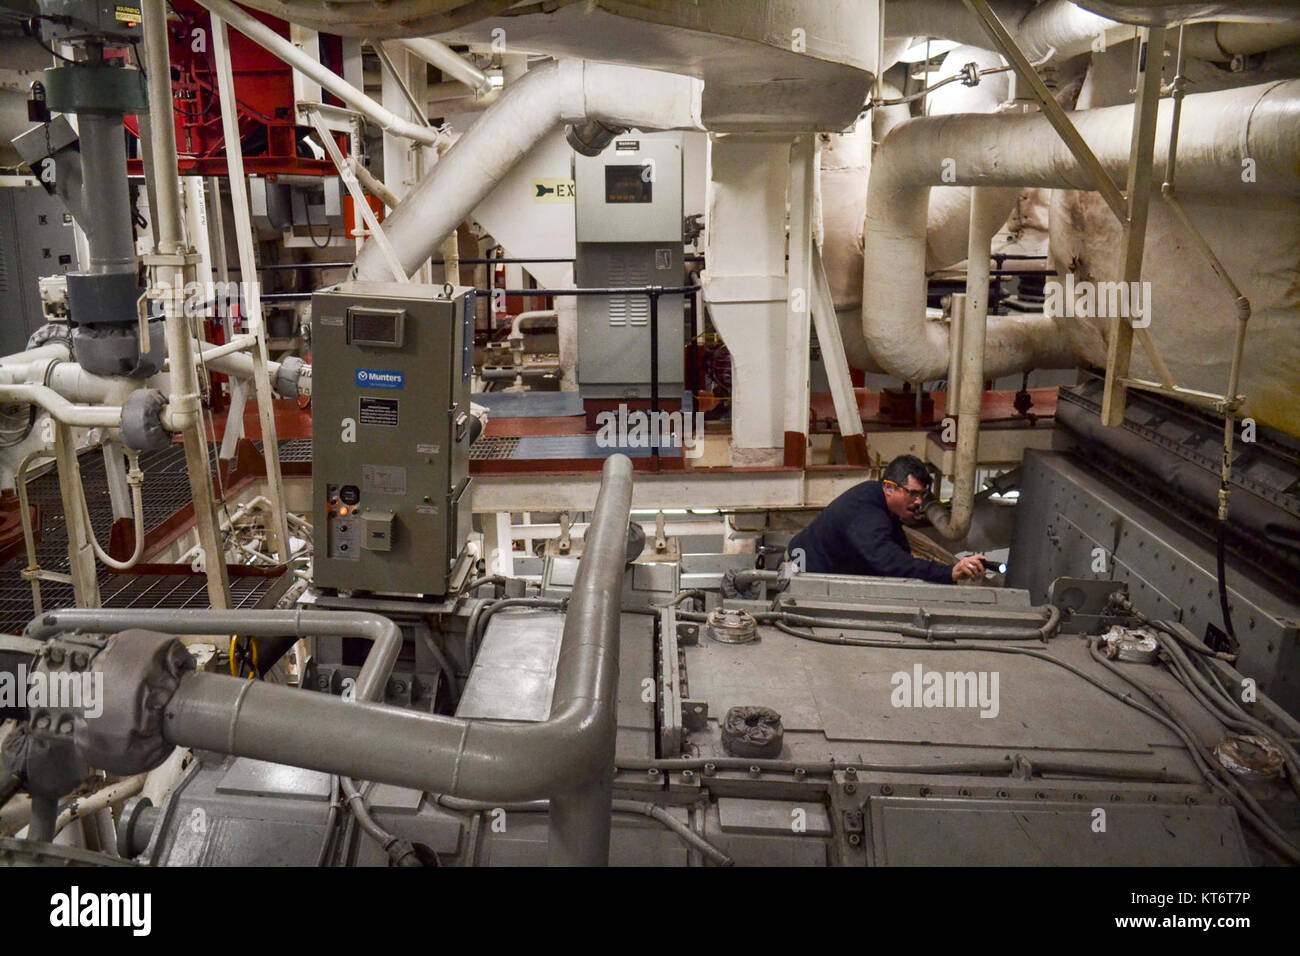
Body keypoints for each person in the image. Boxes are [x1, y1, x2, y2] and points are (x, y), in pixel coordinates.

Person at [787, 454, 987, 584]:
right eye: (913, 494)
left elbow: (900, 555)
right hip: (803, 574)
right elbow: (890, 563)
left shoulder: (881, 503)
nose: (919, 502)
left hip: (822, 570)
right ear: (890, 488)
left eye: (922, 496)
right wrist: (948, 573)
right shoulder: (866, 512)